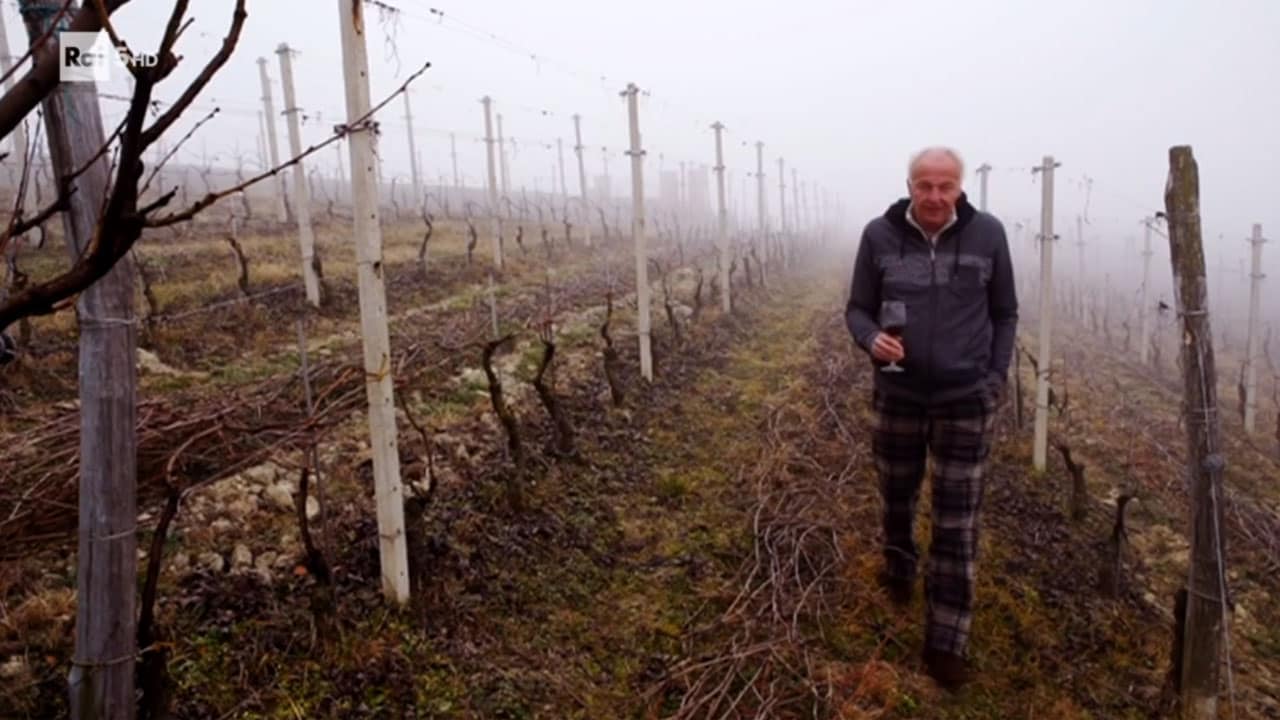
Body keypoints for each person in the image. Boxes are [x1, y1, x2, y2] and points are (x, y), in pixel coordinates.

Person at [844, 146, 1018, 689]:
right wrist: (871, 339)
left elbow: (1005, 312)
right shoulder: (878, 236)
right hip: (898, 394)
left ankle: (947, 640)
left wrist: (995, 379)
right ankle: (899, 565)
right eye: (926, 186)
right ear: (910, 186)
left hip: (967, 398)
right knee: (896, 494)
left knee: (957, 523)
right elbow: (856, 308)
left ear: (960, 188)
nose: (936, 196)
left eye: (946, 186)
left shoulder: (988, 235)